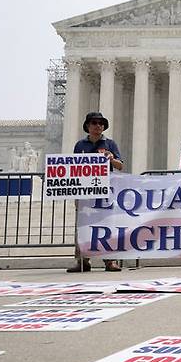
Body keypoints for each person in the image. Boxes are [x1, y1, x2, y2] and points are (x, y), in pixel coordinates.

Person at [67, 112, 124, 273]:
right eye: (94, 122)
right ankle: (82, 261)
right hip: (85, 193)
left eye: (101, 123)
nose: (98, 125)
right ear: (87, 126)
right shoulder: (80, 146)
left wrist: (111, 159)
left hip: (105, 192)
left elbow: (120, 166)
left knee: (107, 225)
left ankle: (110, 261)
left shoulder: (110, 144)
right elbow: (73, 167)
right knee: (82, 227)